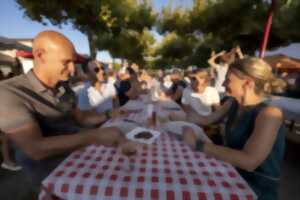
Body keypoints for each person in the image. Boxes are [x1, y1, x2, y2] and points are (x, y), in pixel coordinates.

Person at [0, 31, 136, 187]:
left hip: (80, 155)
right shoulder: (7, 92)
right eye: (66, 62)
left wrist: (109, 113)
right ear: (40, 55)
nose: (72, 69)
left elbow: (82, 119)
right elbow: (35, 148)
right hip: (50, 171)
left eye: (73, 62)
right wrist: (94, 136)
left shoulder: (63, 86)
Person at [182, 57, 286, 200]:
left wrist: (197, 144)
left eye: (228, 79)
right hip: (230, 173)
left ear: (248, 83)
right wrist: (177, 116)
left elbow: (249, 161)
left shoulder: (270, 114)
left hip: (255, 188)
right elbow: (206, 120)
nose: (223, 84)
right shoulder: (232, 103)